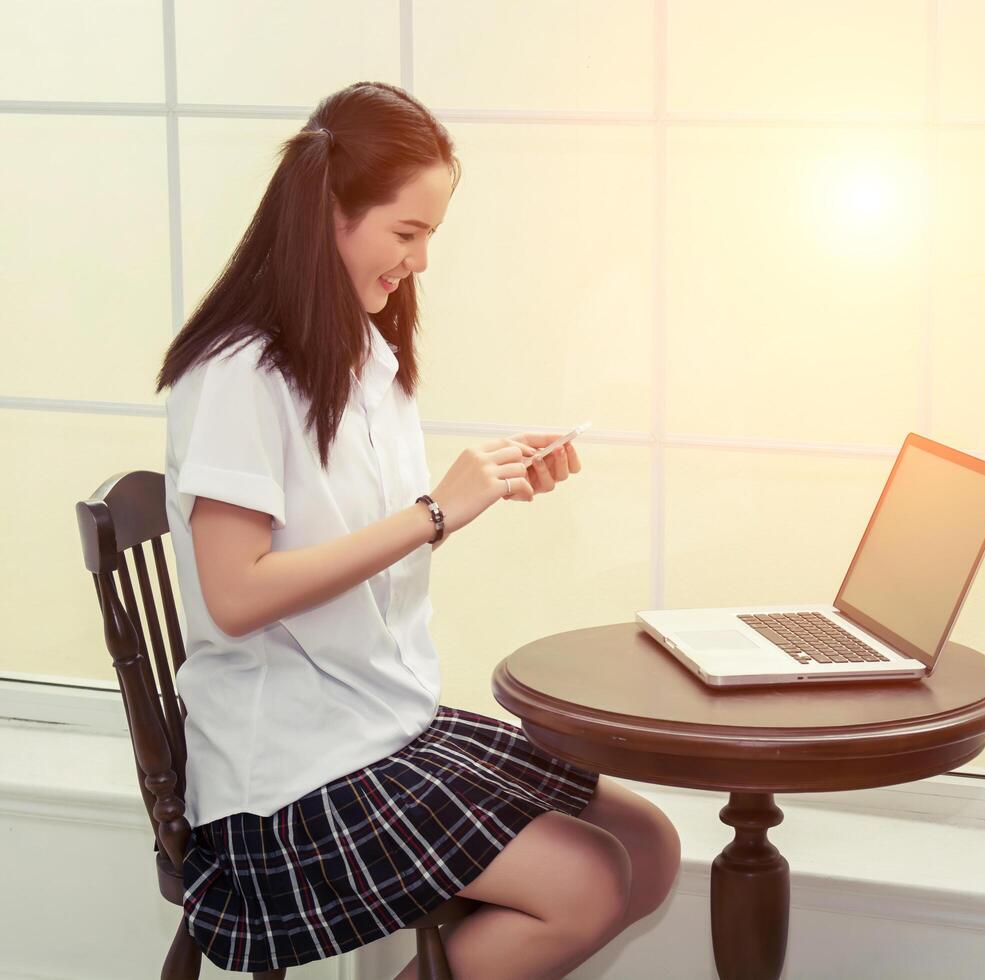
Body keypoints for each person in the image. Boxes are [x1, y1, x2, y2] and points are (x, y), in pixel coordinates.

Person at [154, 81, 680, 979]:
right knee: (588, 879)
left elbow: (366, 543)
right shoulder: (239, 374)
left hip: (378, 721)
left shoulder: (364, 358)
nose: (422, 261)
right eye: (408, 233)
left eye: (431, 234)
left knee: (650, 844)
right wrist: (436, 512)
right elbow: (236, 595)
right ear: (330, 214)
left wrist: (486, 485)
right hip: (284, 781)